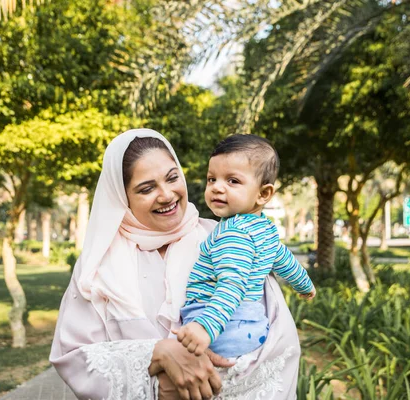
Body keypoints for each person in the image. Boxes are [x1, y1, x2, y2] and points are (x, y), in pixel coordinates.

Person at [50, 129, 304, 400]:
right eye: (147, 188)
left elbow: (280, 342)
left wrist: (218, 384)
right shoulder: (98, 267)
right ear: (122, 197)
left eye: (173, 178)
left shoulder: (225, 239)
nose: (167, 195)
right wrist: (158, 355)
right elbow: (75, 357)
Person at [174, 135, 316, 359]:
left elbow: (232, 285)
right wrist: (305, 286)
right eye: (212, 179)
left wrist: (205, 327)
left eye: (233, 181)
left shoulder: (233, 234)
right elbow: (286, 262)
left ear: (263, 194)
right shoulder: (265, 231)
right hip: (251, 325)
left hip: (220, 324)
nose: (217, 188)